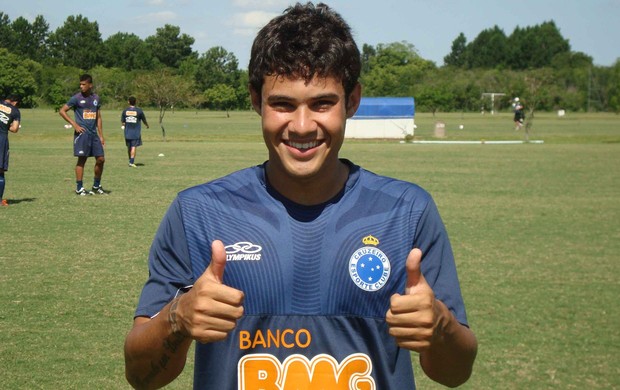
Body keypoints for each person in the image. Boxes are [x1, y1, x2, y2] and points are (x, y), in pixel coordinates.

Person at [124, 3, 477, 389]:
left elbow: (455, 373)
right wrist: (178, 317)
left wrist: (440, 326)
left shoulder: (406, 212)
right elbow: (141, 375)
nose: (303, 126)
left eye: (322, 103)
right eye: (283, 104)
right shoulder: (199, 213)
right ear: (256, 101)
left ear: (353, 101)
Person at [59, 74, 107, 195]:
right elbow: (62, 111)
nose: (81, 86)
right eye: (80, 84)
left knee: (101, 159)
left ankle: (96, 186)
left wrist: (101, 135)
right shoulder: (76, 98)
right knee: (82, 160)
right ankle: (79, 187)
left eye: (84, 84)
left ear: (90, 85)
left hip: (94, 134)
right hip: (82, 134)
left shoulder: (96, 98)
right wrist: (74, 125)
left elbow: (98, 117)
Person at [0, 94, 21, 206]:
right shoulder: (15, 111)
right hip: (2, 139)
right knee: (0, 171)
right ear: (15, 102)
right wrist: (6, 124)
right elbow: (15, 129)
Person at [121, 96, 149, 167]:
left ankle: (130, 160)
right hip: (135, 133)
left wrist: (124, 124)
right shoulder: (139, 111)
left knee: (129, 147)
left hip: (127, 133)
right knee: (133, 147)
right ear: (135, 102)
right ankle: (131, 162)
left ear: (128, 102)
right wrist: (147, 125)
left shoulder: (125, 111)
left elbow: (123, 122)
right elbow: (144, 120)